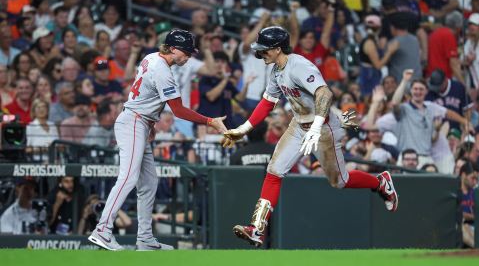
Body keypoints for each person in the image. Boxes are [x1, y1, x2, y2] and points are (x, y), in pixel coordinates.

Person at [221, 26, 399, 247]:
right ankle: (257, 229)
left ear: (277, 49)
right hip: (298, 125)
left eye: (264, 49)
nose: (260, 53)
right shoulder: (276, 69)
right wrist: (243, 129)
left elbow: (325, 93)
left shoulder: (299, 65)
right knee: (274, 172)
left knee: (339, 181)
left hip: (323, 127)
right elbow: (268, 102)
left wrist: (316, 127)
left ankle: (380, 182)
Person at [88, 29, 227, 251]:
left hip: (139, 122)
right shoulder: (162, 69)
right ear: (173, 49)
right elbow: (179, 111)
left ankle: (144, 238)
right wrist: (211, 122)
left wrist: (150, 123)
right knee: (128, 178)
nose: (189, 56)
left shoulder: (150, 57)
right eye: (186, 52)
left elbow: (146, 95)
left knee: (149, 182)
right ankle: (102, 230)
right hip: (133, 123)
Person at [458, 161, 478, 248]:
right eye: (472, 178)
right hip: (460, 226)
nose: (475, 182)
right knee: (463, 227)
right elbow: (458, 215)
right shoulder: (455, 192)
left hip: (475, 226)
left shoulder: (476, 193)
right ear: (463, 175)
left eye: (477, 179)